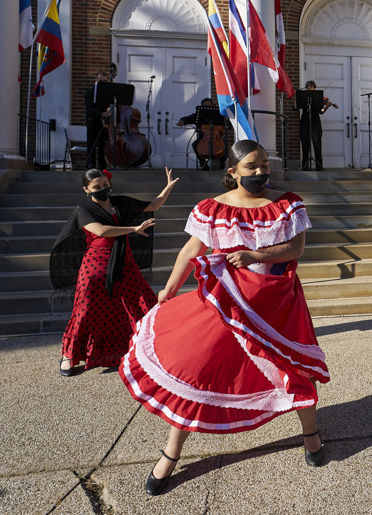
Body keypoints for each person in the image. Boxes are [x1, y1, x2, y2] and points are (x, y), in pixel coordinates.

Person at [120, 141, 329, 496]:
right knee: (197, 369)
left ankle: (311, 435)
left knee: (291, 369)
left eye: (264, 164)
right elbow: (192, 250)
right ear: (232, 171)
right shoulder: (211, 208)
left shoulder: (287, 203)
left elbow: (296, 249)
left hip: (277, 303)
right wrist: (169, 288)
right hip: (224, 301)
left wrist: (254, 254)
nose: (261, 171)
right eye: (251, 166)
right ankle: (172, 452)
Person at [49, 167, 178, 376]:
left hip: (123, 260)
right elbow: (100, 230)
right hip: (95, 264)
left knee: (140, 301)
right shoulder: (84, 208)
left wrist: (167, 188)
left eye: (105, 185)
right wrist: (133, 230)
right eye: (97, 187)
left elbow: (153, 205)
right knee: (85, 309)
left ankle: (150, 348)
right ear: (86, 189)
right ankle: (69, 355)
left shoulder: (119, 202)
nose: (103, 189)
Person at [177, 98, 227, 171]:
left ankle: (223, 166)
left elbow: (227, 125)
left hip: (217, 138)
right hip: (203, 139)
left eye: (209, 106)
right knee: (195, 144)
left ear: (213, 105)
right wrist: (183, 121)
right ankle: (204, 166)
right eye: (205, 107)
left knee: (224, 145)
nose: (207, 109)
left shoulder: (219, 115)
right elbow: (189, 118)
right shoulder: (199, 115)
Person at [299, 81, 336, 171]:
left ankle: (319, 166)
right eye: (309, 87)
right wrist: (297, 100)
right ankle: (305, 167)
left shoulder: (319, 98)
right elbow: (295, 108)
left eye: (313, 87)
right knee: (305, 145)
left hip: (315, 122)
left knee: (317, 145)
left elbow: (321, 112)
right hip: (304, 122)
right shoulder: (303, 97)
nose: (312, 89)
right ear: (307, 88)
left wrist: (327, 106)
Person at [84, 70, 111, 169]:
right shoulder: (89, 93)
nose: (103, 84)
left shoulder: (108, 94)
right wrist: (101, 114)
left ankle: (102, 166)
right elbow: (89, 109)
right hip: (93, 121)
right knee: (91, 144)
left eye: (105, 81)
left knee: (103, 145)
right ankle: (90, 165)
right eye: (100, 81)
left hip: (106, 123)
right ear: (96, 80)